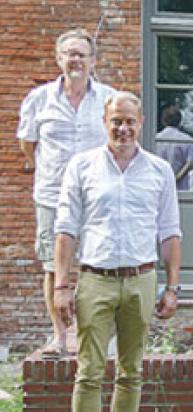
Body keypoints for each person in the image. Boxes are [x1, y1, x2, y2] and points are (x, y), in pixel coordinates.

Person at [53, 91, 182, 412]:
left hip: (141, 279)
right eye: (115, 121)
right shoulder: (82, 166)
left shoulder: (159, 170)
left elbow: (170, 230)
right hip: (96, 279)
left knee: (131, 372)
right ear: (104, 122)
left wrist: (173, 286)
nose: (123, 128)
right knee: (89, 373)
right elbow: (66, 229)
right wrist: (61, 284)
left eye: (130, 121)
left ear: (141, 122)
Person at [17, 28, 116, 359]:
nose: (75, 60)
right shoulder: (38, 99)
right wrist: (48, 170)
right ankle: (59, 337)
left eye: (81, 54)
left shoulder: (108, 99)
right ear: (59, 59)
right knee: (53, 267)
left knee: (95, 265)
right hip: (51, 195)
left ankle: (87, 336)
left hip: (96, 195)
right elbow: (28, 144)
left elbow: (118, 143)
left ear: (93, 61)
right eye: (69, 54)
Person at [155, 105, 193, 191]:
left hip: (159, 185)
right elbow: (190, 163)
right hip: (181, 189)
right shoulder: (187, 140)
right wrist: (176, 178)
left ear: (163, 120)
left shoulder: (155, 139)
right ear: (179, 121)